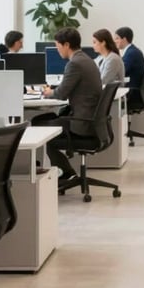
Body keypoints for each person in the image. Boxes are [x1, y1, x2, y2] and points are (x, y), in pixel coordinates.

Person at [34, 27, 103, 186]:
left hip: (81, 122)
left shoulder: (75, 64)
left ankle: (65, 172)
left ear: (66, 45)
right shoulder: (86, 59)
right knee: (42, 120)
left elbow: (61, 94)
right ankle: (65, 171)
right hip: (90, 119)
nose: (57, 49)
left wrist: (47, 92)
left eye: (57, 45)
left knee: (40, 129)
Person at [114, 27, 144, 91]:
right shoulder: (132, 51)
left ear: (124, 39)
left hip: (131, 89)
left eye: (117, 38)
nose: (115, 41)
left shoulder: (131, 53)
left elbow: (122, 72)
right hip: (134, 87)